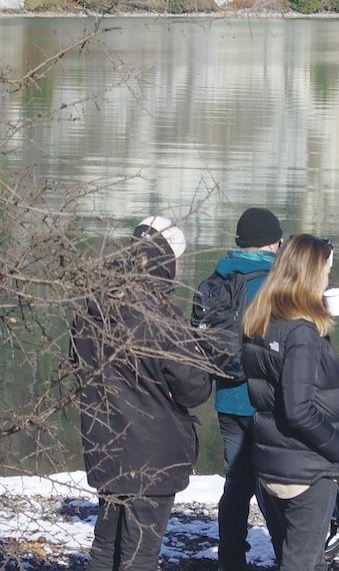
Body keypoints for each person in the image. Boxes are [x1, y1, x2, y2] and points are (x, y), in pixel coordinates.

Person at [72, 216, 213, 571]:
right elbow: (194, 388)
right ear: (166, 262)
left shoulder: (92, 308)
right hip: (153, 455)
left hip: (105, 445)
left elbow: (79, 364)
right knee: (141, 555)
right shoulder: (161, 318)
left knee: (105, 546)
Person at [241, 234, 339, 571]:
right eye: (326, 271)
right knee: (302, 563)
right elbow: (299, 410)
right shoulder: (301, 334)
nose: (328, 279)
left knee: (297, 557)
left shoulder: (262, 320)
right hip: (307, 468)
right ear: (310, 275)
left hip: (274, 459)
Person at [208, 207, 285, 571]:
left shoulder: (219, 276)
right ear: (273, 243)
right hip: (267, 401)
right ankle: (288, 556)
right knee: (277, 484)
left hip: (228, 397)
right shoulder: (278, 284)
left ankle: (230, 560)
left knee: (236, 486)